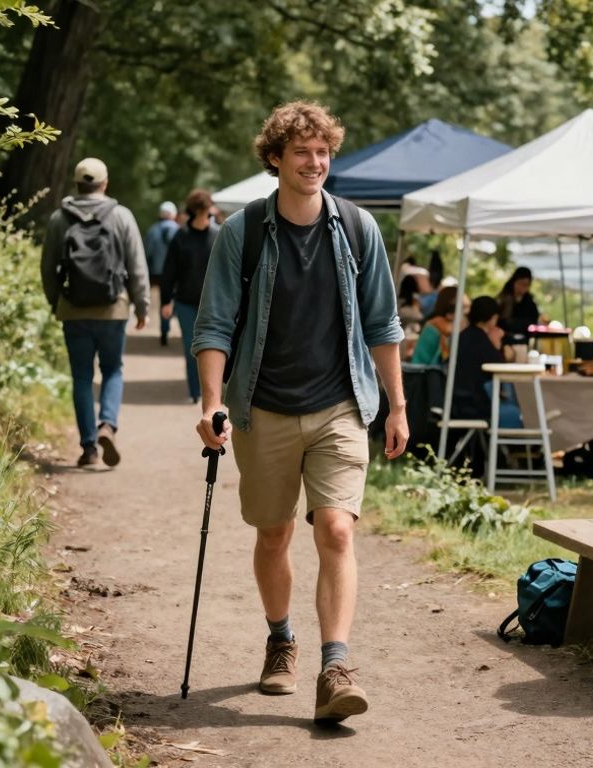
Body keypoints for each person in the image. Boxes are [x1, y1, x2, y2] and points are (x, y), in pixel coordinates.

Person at [191, 101, 408, 724]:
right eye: (302, 152)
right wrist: (212, 403)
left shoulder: (358, 227)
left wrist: (396, 405)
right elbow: (213, 324)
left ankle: (335, 666)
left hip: (341, 404)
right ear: (276, 159)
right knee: (275, 532)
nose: (315, 163)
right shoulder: (243, 231)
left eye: (323, 152)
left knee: (336, 529)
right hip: (264, 407)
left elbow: (382, 323)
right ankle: (281, 639)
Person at [39, 158, 150, 468]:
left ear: (77, 184)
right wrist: (142, 307)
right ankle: (108, 425)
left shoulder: (60, 218)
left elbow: (47, 268)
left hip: (73, 310)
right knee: (113, 369)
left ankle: (88, 447)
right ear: (105, 183)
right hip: (113, 309)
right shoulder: (121, 216)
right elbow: (137, 267)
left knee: (82, 377)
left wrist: (55, 303)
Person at [161, 188, 217, 403]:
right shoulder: (181, 236)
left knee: (213, 347)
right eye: (202, 210)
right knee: (191, 348)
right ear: (196, 210)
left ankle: (211, 393)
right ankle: (195, 392)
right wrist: (166, 300)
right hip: (186, 303)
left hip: (213, 304)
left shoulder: (218, 235)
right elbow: (169, 271)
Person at [449, 295, 521, 429]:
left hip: (454, 401)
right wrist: (498, 345)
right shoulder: (481, 340)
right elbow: (500, 368)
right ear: (493, 318)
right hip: (475, 403)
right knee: (513, 409)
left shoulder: (462, 336)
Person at [143, 200, 178, 345]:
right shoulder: (179, 230)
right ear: (173, 214)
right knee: (170, 301)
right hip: (174, 274)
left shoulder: (152, 231)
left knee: (159, 301)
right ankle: (168, 327)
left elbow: (147, 253)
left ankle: (152, 324)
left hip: (156, 273)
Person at [410, 285, 464, 366]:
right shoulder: (433, 327)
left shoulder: (453, 326)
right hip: (423, 373)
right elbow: (421, 359)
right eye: (462, 307)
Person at [497, 266, 543, 338]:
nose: (522, 288)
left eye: (526, 285)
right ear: (514, 282)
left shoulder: (529, 301)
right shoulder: (503, 298)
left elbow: (534, 320)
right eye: (520, 284)